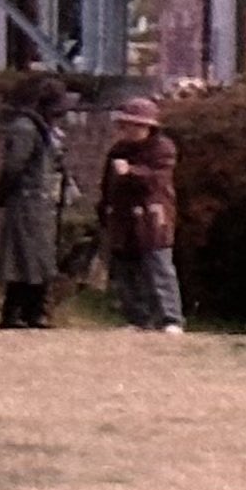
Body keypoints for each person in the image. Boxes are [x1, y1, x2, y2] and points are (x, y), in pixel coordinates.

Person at [99, 97, 185, 334]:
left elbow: (158, 179)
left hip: (153, 218)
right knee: (126, 270)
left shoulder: (163, 148)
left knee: (159, 268)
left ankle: (171, 319)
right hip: (123, 218)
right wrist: (105, 210)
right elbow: (107, 185)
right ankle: (138, 318)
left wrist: (132, 172)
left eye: (135, 125)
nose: (129, 130)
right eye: (126, 125)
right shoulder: (118, 150)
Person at [0, 78, 68, 331]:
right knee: (25, 256)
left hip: (39, 201)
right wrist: (3, 192)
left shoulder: (39, 128)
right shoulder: (26, 128)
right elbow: (14, 165)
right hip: (27, 200)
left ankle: (32, 312)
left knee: (36, 257)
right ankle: (18, 312)